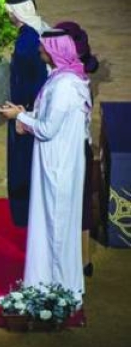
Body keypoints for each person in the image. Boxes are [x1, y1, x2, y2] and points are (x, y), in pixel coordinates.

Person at [0, 29, 89, 302]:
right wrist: (25, 115)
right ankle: (46, 282)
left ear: (54, 51)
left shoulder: (64, 86)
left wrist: (21, 119)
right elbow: (48, 118)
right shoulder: (62, 79)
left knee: (56, 224)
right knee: (50, 222)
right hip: (54, 161)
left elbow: (48, 129)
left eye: (43, 49)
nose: (39, 53)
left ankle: (58, 290)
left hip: (57, 165)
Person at [55, 20, 101, 277]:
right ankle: (83, 260)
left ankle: (74, 258)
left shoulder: (68, 81)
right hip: (82, 146)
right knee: (81, 205)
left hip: (71, 150)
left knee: (71, 203)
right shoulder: (79, 75)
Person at [4, 0, 50, 227]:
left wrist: (22, 115)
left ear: (15, 14)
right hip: (37, 108)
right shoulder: (42, 27)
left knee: (22, 163)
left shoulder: (25, 43)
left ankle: (23, 216)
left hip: (25, 111)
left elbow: (28, 81)